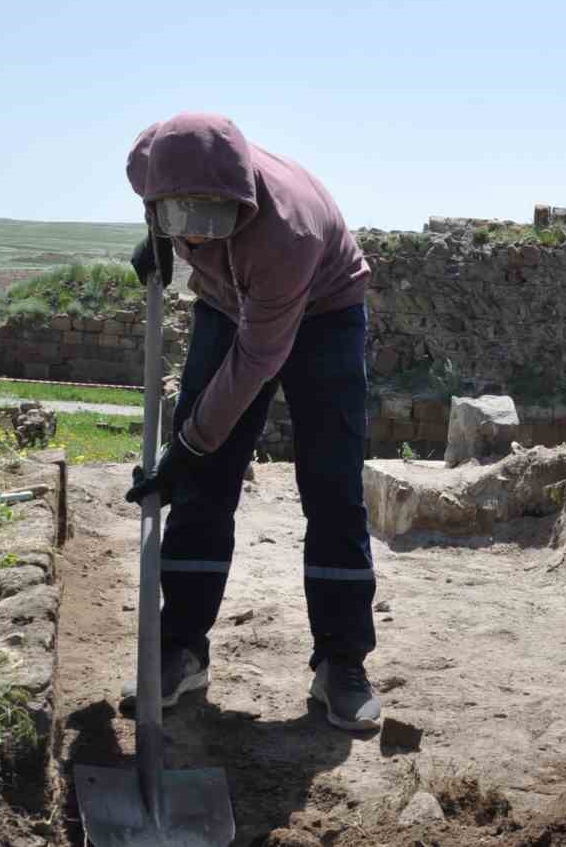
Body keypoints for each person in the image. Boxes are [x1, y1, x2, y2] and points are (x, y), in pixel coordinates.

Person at [121, 111, 381, 731]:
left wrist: (187, 445)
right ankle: (182, 645)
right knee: (203, 491)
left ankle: (341, 662)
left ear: (241, 198)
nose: (201, 240)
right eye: (185, 221)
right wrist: (159, 234)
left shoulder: (284, 232)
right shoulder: (152, 163)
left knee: (331, 485)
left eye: (212, 221)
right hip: (225, 302)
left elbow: (256, 359)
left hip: (322, 308)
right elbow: (167, 201)